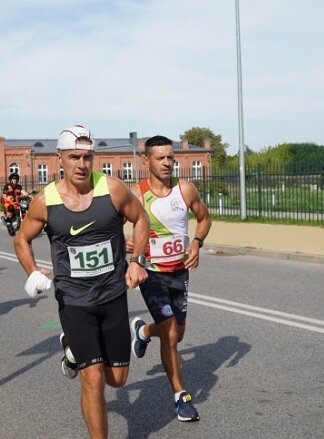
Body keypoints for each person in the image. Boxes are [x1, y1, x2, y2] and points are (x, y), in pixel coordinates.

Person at [14, 124, 149, 439]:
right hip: (74, 300)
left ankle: (71, 351)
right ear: (59, 158)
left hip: (113, 295)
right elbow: (22, 238)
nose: (81, 164)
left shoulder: (112, 189)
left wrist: (137, 262)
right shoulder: (45, 201)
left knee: (117, 379)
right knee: (93, 380)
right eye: (74, 156)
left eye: (87, 157)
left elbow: (140, 218)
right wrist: (32, 271)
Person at [127, 135, 212, 422]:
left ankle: (142, 332)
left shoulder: (185, 189)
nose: (166, 162)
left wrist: (197, 242)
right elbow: (112, 228)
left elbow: (204, 218)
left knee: (178, 332)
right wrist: (128, 245)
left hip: (180, 272)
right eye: (160, 157)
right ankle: (180, 396)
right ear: (146, 160)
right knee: (172, 334)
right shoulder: (137, 194)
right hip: (152, 274)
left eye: (170, 157)